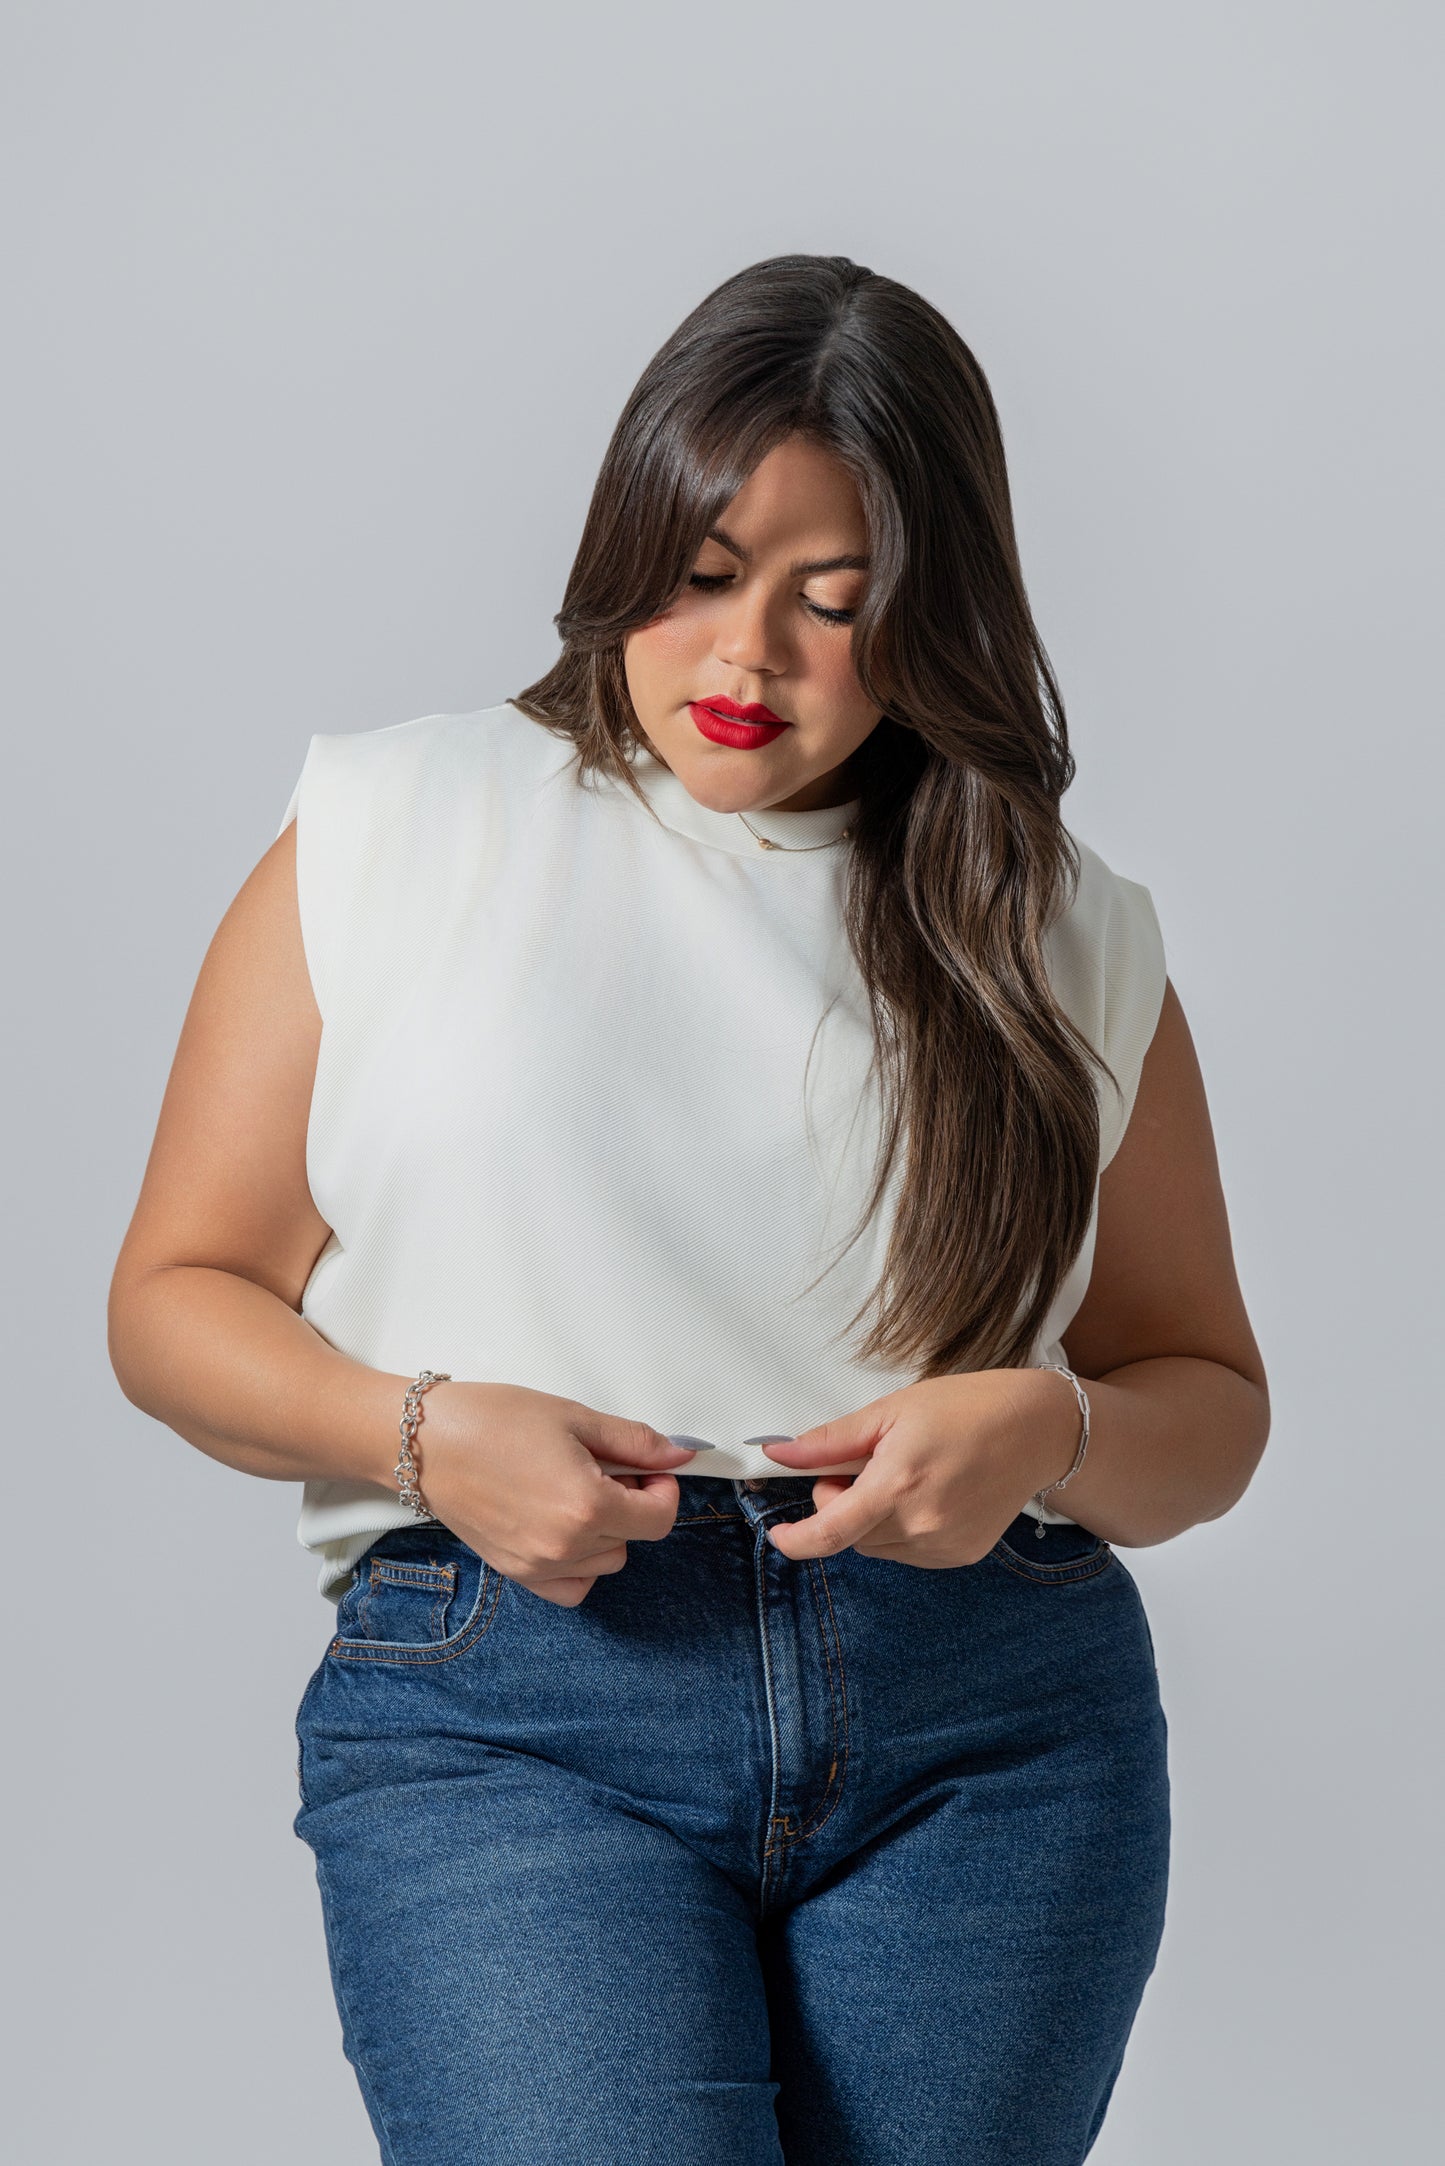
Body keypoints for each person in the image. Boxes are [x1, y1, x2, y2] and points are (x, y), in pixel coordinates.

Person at [107, 253, 1270, 2165]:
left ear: (936, 620)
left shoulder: (1058, 924)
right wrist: (422, 1430)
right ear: (622, 538)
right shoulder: (399, 825)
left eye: (836, 603)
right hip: (517, 1705)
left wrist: (1051, 1425)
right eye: (705, 571)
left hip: (990, 1727)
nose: (748, 661)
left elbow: (1204, 1398)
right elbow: (176, 1294)